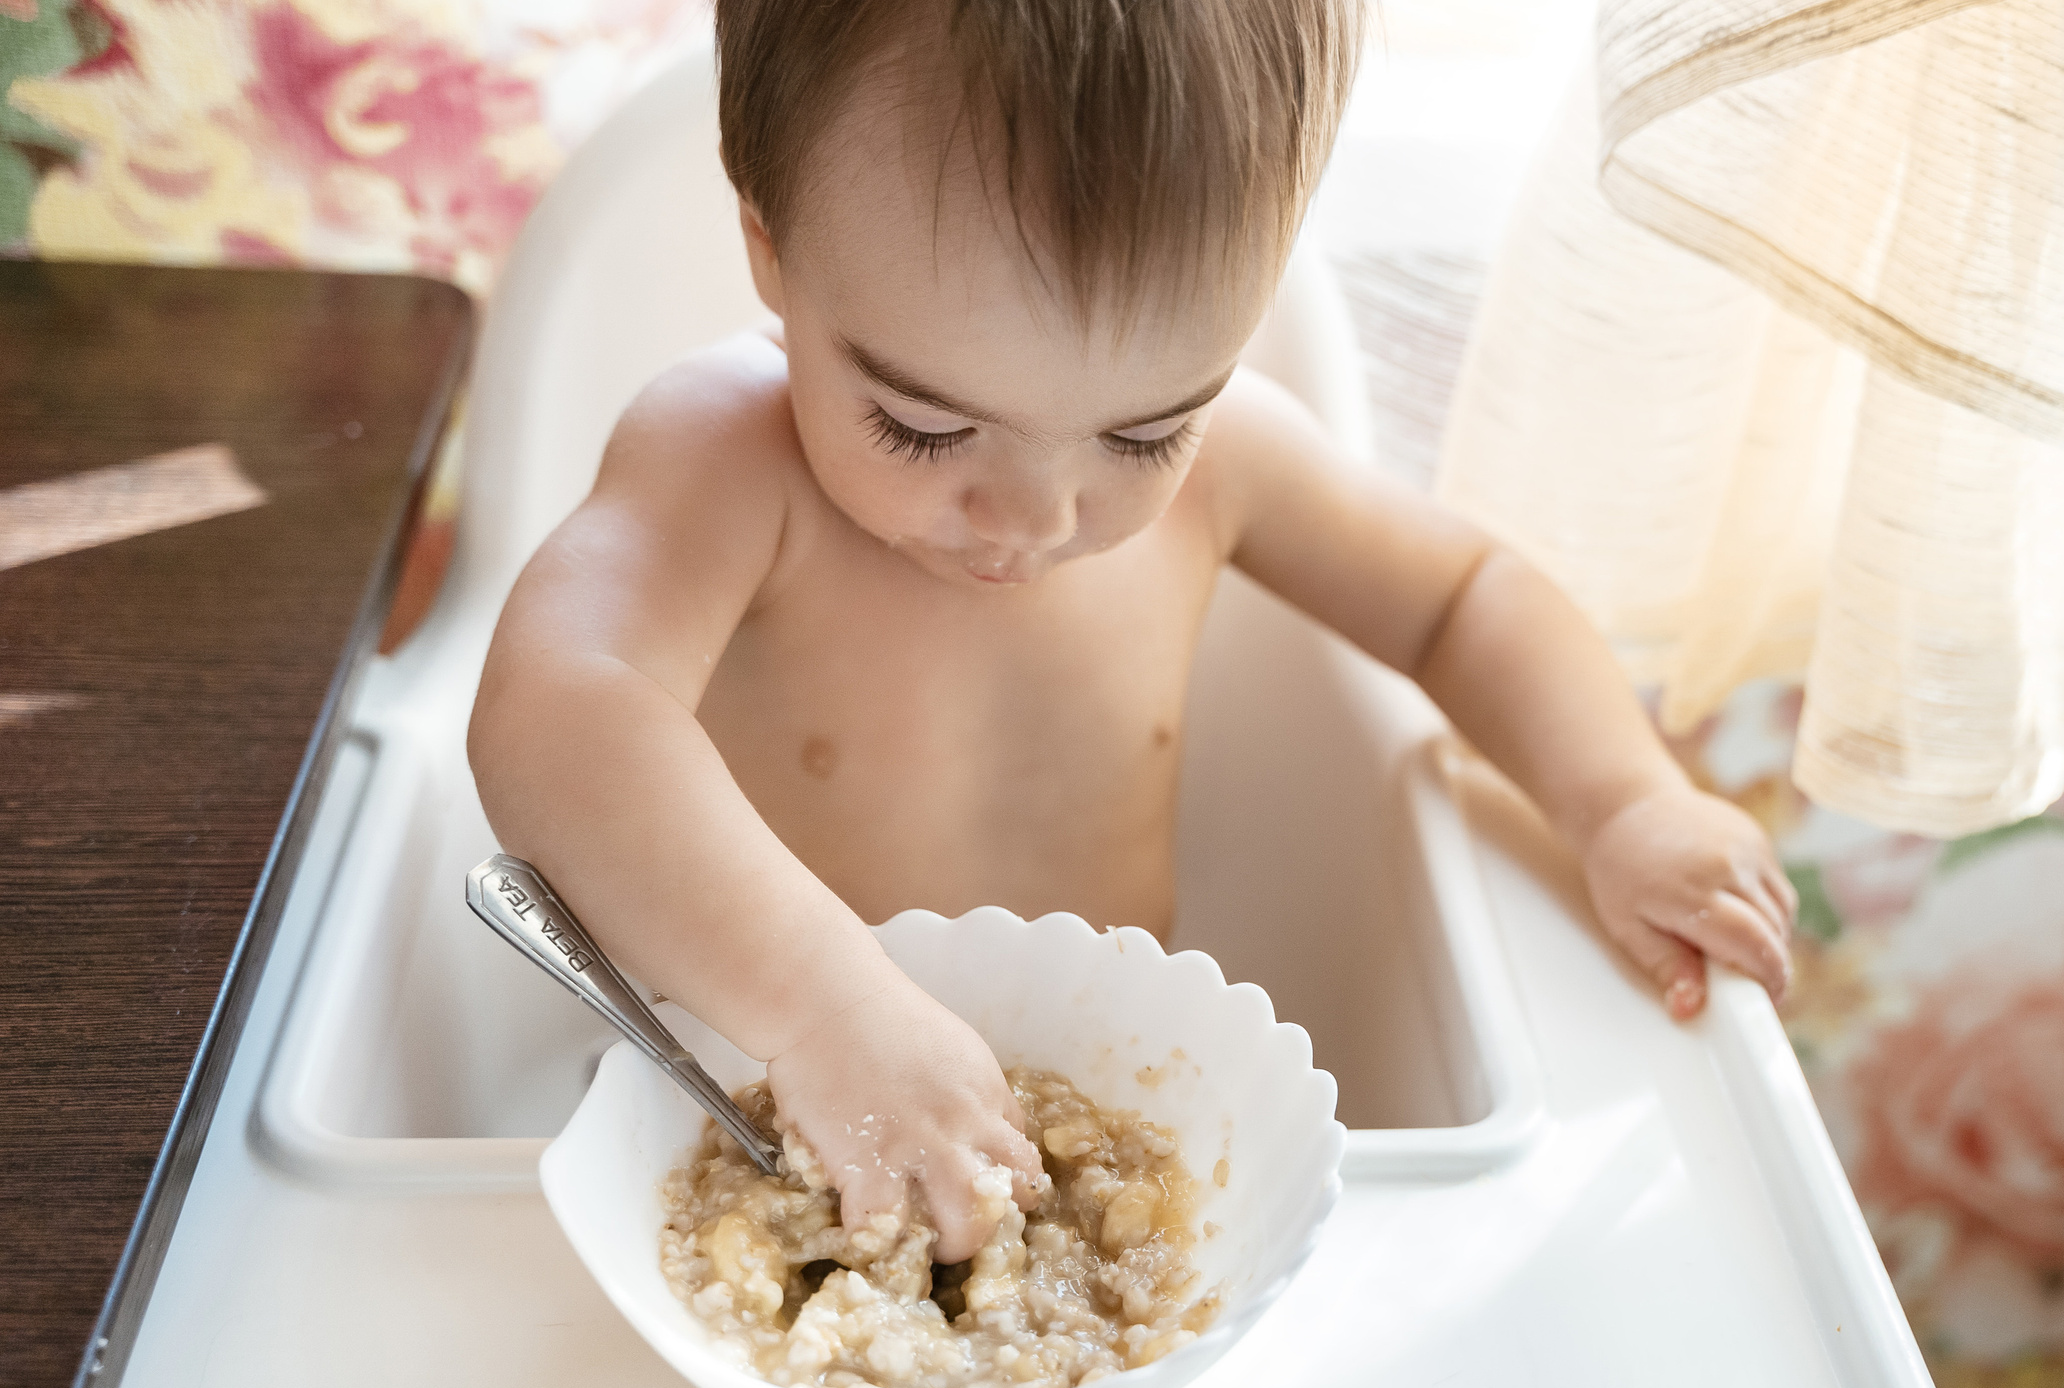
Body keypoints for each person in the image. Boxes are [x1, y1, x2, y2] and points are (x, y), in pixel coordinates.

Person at [469, 0, 1796, 1264]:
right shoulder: (725, 463)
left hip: (1109, 1135)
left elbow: (1464, 598)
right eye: (924, 427)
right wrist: (819, 1007)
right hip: (747, 1111)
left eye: (1144, 431)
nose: (1034, 519)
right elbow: (559, 711)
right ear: (768, 243)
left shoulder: (1235, 466)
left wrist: (1621, 799)